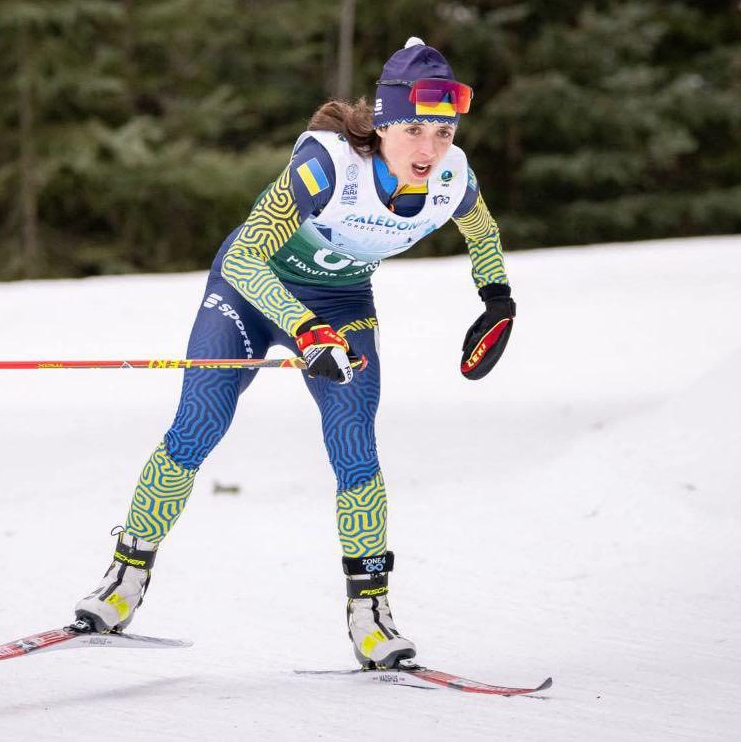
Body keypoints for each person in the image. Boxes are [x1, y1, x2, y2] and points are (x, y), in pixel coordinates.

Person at [73, 37, 516, 670]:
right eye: (415, 128)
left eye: (443, 131)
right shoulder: (327, 166)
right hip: (251, 292)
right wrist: (304, 329)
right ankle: (125, 578)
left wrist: (496, 298)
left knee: (355, 445)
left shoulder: (452, 176)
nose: (429, 148)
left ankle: (370, 614)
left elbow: (483, 233)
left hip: (342, 305)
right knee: (198, 425)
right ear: (386, 123)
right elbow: (251, 257)